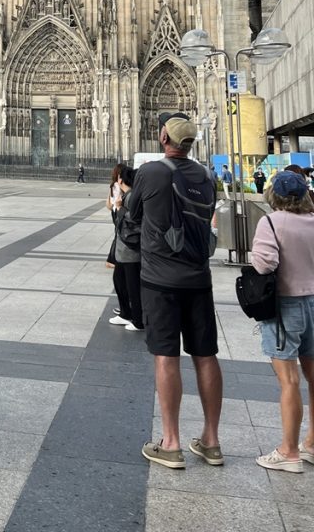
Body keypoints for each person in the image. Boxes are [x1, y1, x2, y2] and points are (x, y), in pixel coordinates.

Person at [124, 112, 222, 470]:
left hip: (160, 280)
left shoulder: (151, 172)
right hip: (199, 279)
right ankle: (211, 441)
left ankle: (172, 442)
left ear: (164, 137)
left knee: (166, 356)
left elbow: (130, 217)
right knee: (206, 356)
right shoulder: (208, 176)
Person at [249, 169, 314, 473]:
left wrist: (254, 257)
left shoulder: (271, 222)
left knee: (289, 380)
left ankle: (289, 451)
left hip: (287, 306)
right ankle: (311, 443)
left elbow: (265, 263)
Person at [109, 166, 143, 331]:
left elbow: (135, 221)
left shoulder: (130, 198)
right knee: (120, 281)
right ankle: (126, 313)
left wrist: (120, 209)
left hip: (130, 249)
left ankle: (137, 319)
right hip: (125, 250)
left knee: (132, 285)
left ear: (121, 180)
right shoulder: (128, 196)